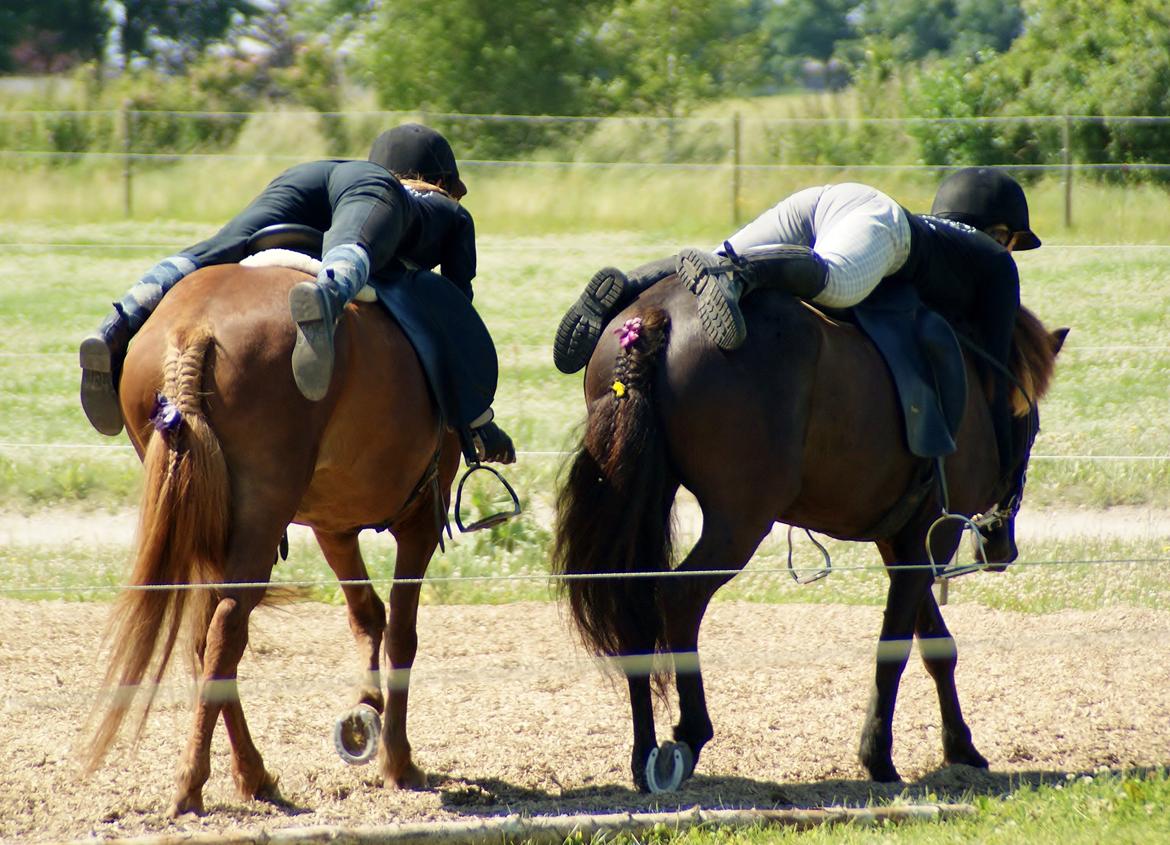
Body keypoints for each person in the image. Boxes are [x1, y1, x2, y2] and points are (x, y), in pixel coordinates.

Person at [554, 168, 1041, 552]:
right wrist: (998, 463)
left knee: (716, 254)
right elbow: (1000, 376)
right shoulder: (995, 265)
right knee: (836, 280)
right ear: (1002, 235)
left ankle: (631, 288)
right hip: (874, 223)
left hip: (823, 204)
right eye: (1014, 243)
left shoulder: (937, 240)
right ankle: (737, 278)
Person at [79, 123, 515, 464]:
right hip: (370, 193)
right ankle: (324, 301)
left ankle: (119, 324)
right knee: (354, 245)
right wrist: (475, 417)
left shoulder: (351, 172)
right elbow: (456, 309)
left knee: (214, 250)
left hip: (304, 176)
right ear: (442, 179)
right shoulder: (441, 206)